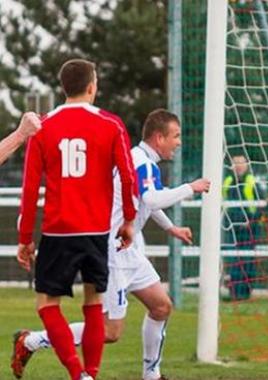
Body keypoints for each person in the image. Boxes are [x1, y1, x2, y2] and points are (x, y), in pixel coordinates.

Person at [12, 109, 211, 380]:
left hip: (127, 249)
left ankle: (152, 376)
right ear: (159, 137)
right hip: (113, 251)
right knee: (110, 331)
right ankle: (31, 341)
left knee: (161, 306)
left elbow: (146, 200)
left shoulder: (141, 159)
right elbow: (151, 199)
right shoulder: (142, 162)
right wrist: (192, 187)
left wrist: (170, 228)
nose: (178, 142)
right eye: (175, 136)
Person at [14, 59, 137, 380]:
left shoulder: (44, 126)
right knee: (94, 303)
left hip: (58, 231)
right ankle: (91, 375)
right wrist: (129, 221)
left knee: (47, 305)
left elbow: (30, 190)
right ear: (92, 87)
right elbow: (127, 177)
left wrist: (25, 238)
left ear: (63, 88)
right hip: (96, 230)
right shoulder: (111, 124)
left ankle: (76, 373)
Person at [223, 154, 262, 301]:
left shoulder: (252, 181)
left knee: (247, 260)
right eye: (235, 163)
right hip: (232, 227)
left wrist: (250, 221)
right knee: (234, 259)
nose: (238, 166)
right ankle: (234, 293)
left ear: (247, 165)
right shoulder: (227, 181)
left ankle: (245, 292)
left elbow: (261, 205)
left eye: (241, 163)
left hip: (249, 228)